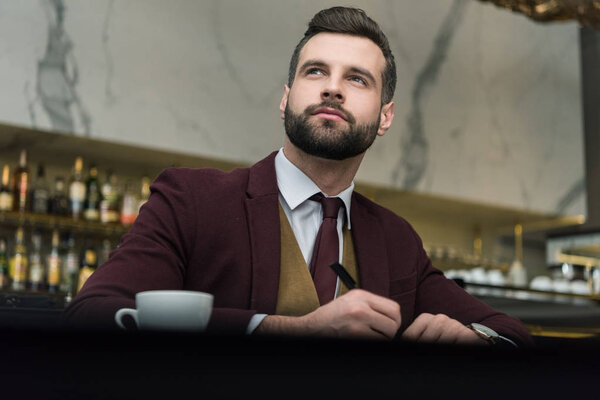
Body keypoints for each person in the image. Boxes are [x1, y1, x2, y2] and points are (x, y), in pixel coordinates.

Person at [64, 7, 532, 347]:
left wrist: (477, 342)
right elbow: (92, 315)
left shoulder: (396, 240)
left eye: (357, 79)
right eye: (316, 71)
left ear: (385, 117)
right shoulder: (191, 200)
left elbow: (512, 334)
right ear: (286, 98)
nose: (332, 86)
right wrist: (287, 330)